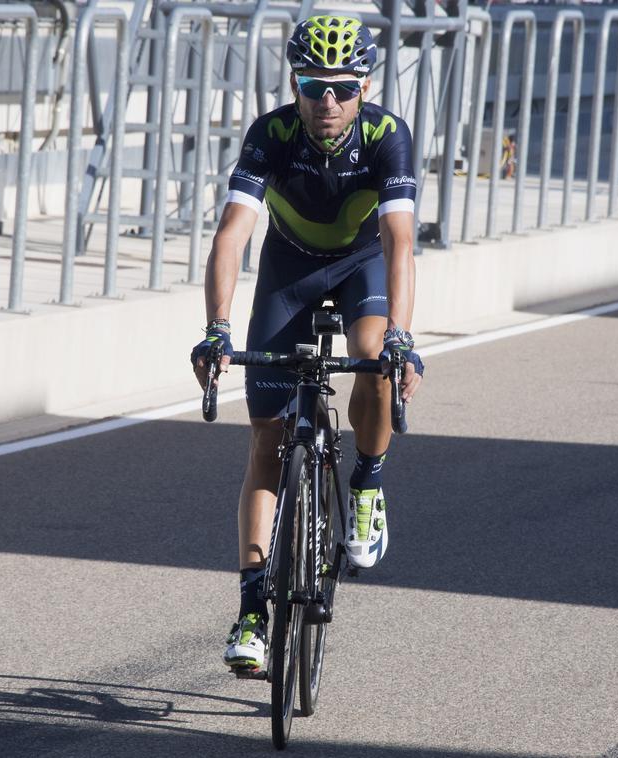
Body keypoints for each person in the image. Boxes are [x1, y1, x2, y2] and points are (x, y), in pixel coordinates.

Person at [190, 15, 425, 674]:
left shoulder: (386, 136)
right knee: (266, 441)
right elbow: (233, 233)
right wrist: (217, 326)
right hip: (288, 273)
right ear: (293, 84)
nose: (328, 102)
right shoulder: (272, 134)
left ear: (366, 87)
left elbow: (401, 242)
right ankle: (252, 612)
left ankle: (368, 485)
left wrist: (402, 339)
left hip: (361, 268)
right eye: (313, 86)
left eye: (344, 89)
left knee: (376, 358)